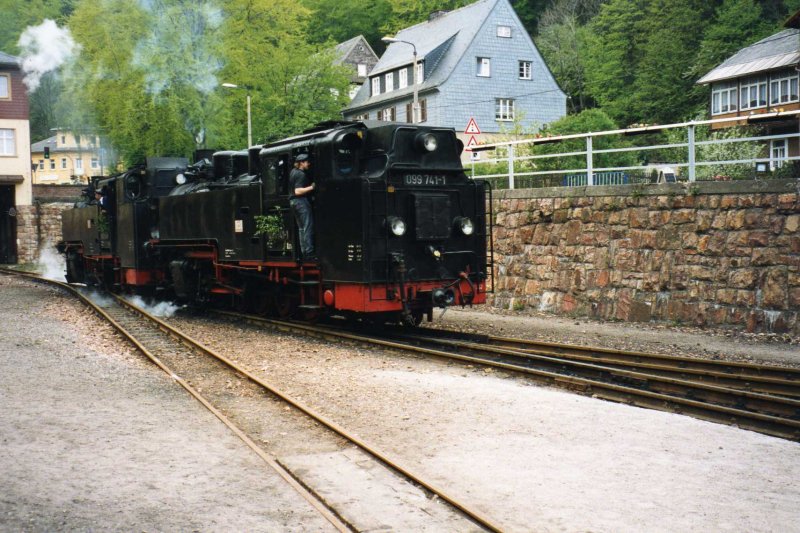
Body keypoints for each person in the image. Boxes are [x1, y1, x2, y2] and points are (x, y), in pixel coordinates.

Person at [289, 153, 316, 261]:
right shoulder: (301, 174)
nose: (308, 164)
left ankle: (304, 251)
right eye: (306, 162)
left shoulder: (292, 172)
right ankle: (309, 252)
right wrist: (312, 187)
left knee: (301, 228)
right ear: (301, 163)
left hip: (293, 202)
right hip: (300, 201)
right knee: (308, 225)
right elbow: (297, 191)